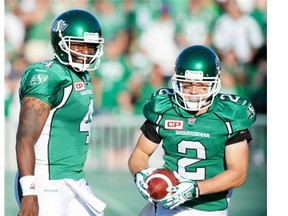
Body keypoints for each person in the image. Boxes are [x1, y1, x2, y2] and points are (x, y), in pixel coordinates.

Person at [128, 45, 257, 215]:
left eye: (202, 86)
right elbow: (140, 154)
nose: (194, 92)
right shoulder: (165, 109)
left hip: (208, 209)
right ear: (177, 82)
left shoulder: (229, 115)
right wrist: (140, 174)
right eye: (187, 85)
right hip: (168, 202)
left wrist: (195, 189)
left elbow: (238, 173)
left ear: (215, 84)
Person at [14, 9, 105, 216]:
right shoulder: (48, 76)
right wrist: (29, 191)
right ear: (61, 43)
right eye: (78, 44)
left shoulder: (82, 76)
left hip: (74, 178)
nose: (86, 52)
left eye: (90, 46)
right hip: (45, 179)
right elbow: (25, 137)